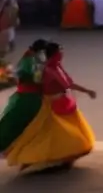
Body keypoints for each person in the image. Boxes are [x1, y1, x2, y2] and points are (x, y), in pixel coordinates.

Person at [4, 41, 97, 174]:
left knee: (59, 134)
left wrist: (86, 91)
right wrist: (87, 91)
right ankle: (39, 159)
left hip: (62, 102)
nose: (62, 55)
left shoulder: (50, 66)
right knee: (56, 135)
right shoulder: (46, 69)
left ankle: (60, 158)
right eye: (60, 53)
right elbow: (64, 85)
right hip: (52, 105)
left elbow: (67, 84)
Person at [0, 39, 47, 155]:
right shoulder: (29, 60)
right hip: (28, 97)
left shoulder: (32, 58)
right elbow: (32, 77)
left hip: (29, 95)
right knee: (17, 122)